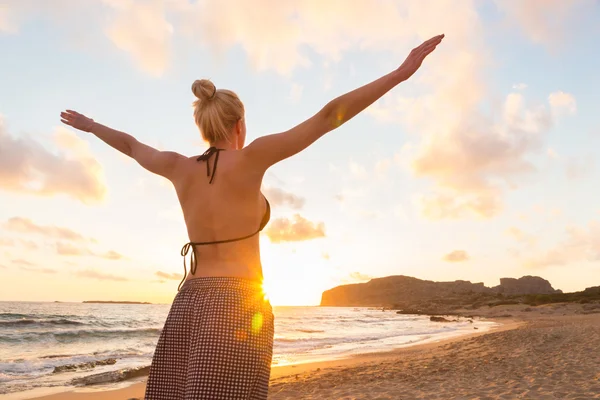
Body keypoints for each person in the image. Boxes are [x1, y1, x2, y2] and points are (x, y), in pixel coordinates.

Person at [60, 33, 444, 400]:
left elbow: (129, 145)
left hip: (188, 303)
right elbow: (328, 117)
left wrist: (91, 126)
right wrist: (399, 74)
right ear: (240, 124)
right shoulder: (252, 158)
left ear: (203, 126)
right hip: (238, 303)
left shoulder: (177, 166)